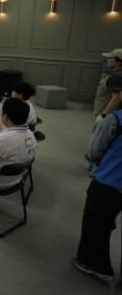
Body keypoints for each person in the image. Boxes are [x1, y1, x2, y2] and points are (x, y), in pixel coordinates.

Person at [74, 75, 122, 282]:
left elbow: (93, 151)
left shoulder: (115, 119)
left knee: (97, 223)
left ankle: (94, 265)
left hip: (110, 181)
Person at [93, 48, 122, 118]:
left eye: (111, 58)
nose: (108, 60)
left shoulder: (117, 76)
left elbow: (116, 98)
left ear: (119, 62)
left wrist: (103, 115)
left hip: (107, 116)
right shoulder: (116, 74)